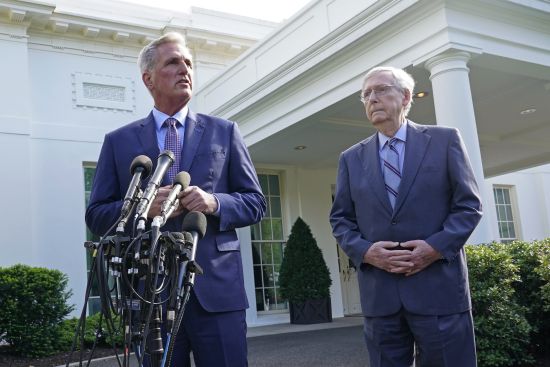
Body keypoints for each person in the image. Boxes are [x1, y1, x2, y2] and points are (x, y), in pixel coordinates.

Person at [85, 32, 266, 367]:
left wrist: (214, 203)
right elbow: (96, 215)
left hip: (216, 291)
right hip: (149, 293)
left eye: (189, 63)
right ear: (148, 78)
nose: (185, 69)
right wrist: (142, 206)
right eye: (173, 62)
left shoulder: (224, 131)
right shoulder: (118, 141)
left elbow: (255, 202)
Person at [329, 66, 482, 367]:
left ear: (406, 96)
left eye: (381, 89)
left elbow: (469, 206)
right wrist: (367, 252)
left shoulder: (444, 140)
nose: (372, 98)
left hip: (439, 290)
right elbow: (341, 220)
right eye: (366, 94)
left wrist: (434, 248)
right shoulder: (351, 158)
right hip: (380, 297)